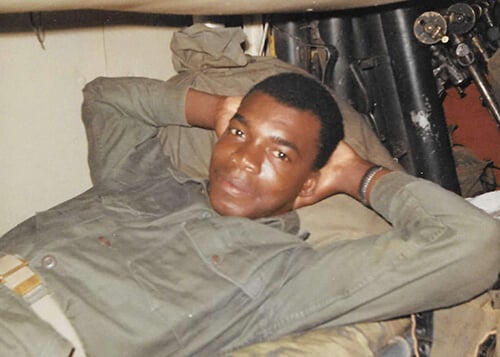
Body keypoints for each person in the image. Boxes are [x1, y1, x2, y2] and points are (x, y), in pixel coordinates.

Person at [0, 72, 498, 357]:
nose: (243, 159)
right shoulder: (143, 182)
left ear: (309, 183)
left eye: (279, 154)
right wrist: (217, 108)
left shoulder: (283, 276)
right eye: (239, 135)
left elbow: (473, 243)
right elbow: (105, 98)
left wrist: (360, 176)